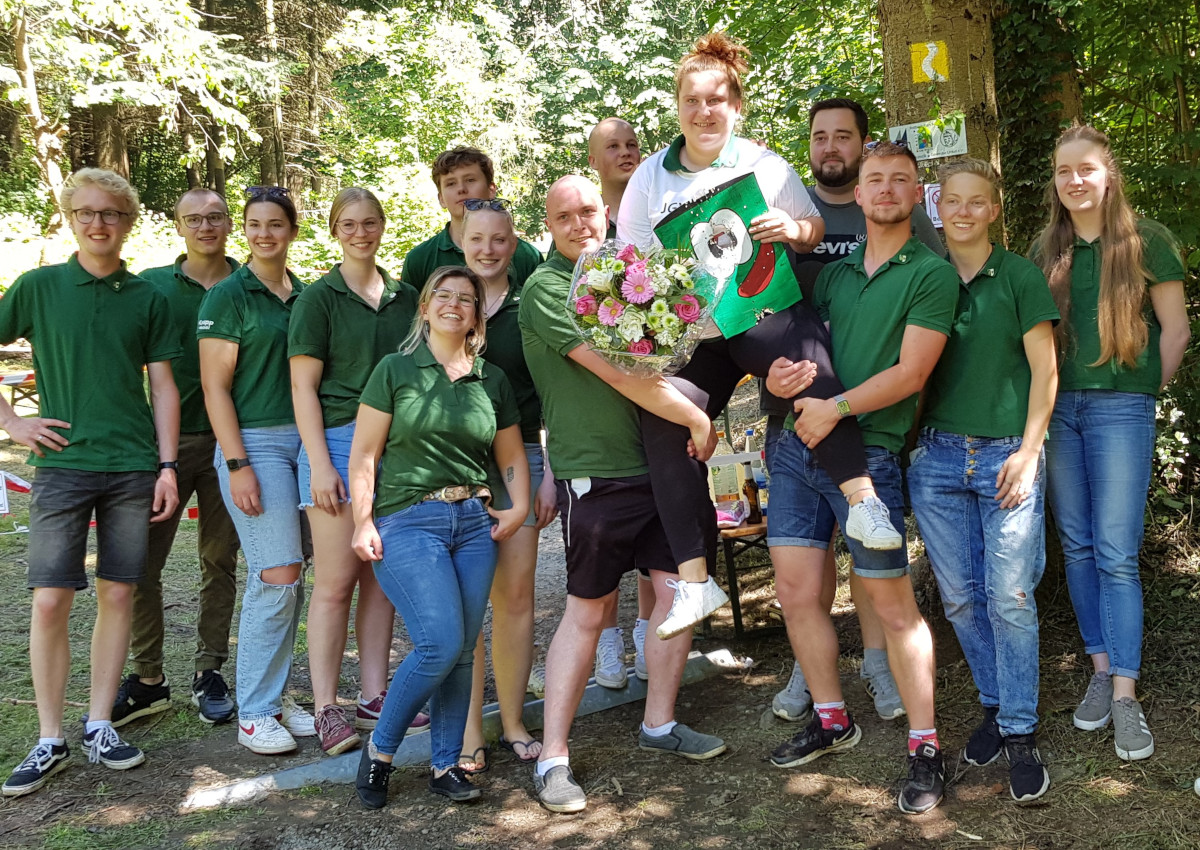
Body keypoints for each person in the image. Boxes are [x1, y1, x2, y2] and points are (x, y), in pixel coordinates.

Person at [617, 33, 902, 641]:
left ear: (735, 105)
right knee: (662, 415)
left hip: (757, 309)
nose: (703, 111)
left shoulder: (763, 164)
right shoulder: (649, 177)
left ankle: (863, 499)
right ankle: (694, 580)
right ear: (677, 106)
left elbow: (813, 225)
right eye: (691, 100)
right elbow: (630, 262)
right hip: (696, 329)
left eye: (716, 99)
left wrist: (793, 227)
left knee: (805, 359)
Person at [522, 175, 726, 815]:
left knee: (674, 595)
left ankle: (659, 724)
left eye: (588, 211)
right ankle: (554, 755)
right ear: (549, 224)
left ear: (605, 213)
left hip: (661, 469)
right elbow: (616, 370)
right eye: (564, 216)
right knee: (589, 610)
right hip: (598, 473)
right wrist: (696, 418)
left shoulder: (638, 272)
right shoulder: (548, 289)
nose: (580, 224)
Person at [764, 142, 958, 814]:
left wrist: (836, 407)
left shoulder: (931, 273)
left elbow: (911, 373)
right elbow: (789, 341)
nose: (885, 189)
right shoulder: (833, 277)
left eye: (900, 180)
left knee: (891, 605)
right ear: (860, 191)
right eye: (875, 178)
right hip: (794, 452)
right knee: (796, 594)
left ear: (914, 195)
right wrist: (780, 379)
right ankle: (831, 718)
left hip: (867, 457)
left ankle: (925, 744)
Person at [0, 168, 181, 797]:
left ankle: (101, 723)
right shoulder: (38, 286)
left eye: (111, 213)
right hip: (60, 467)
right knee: (50, 598)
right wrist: (13, 422)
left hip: (132, 466)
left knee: (118, 595)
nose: (98, 223)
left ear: (128, 221)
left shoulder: (148, 296)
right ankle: (49, 738)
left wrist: (166, 466)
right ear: (70, 217)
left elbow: (162, 386)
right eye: (86, 212)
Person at [1032, 125, 1189, 762]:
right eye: (1064, 170)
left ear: (1108, 173)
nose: (1075, 180)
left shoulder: (1147, 240)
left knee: (1117, 553)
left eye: (1086, 169)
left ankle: (1125, 694)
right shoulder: (1046, 248)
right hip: (1060, 410)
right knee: (1076, 544)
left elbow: (1175, 330)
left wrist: (1140, 393)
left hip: (1123, 408)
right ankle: (1099, 669)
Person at [907, 159, 1059, 802]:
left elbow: (1045, 373)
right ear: (938, 206)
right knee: (963, 598)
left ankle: (1021, 730)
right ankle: (997, 705)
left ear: (994, 209)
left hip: (1006, 457)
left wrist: (1029, 451)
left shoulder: (1020, 276)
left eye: (977, 202)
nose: (963, 211)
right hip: (938, 460)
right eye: (953, 201)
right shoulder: (926, 277)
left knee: (1011, 596)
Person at [349, 266, 529, 808]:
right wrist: (362, 519)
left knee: (462, 647)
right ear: (424, 307)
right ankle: (380, 752)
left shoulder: (490, 379)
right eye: (443, 296)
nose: (454, 304)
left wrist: (518, 507)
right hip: (408, 519)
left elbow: (512, 456)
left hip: (474, 522)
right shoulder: (395, 370)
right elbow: (364, 455)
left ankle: (446, 764)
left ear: (477, 314)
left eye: (466, 299)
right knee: (439, 641)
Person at [289, 187, 421, 756]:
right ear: (334, 230)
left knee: (380, 578)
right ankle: (325, 707)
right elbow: (303, 387)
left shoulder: (406, 297)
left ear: (382, 227)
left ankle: (374, 694)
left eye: (370, 222)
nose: (361, 232)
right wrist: (320, 462)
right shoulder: (318, 299)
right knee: (337, 580)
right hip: (339, 443)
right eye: (349, 224)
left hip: (396, 448)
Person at [110, 189, 241, 729]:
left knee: (220, 561)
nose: (205, 227)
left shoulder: (252, 282)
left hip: (233, 445)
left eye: (214, 217)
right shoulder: (150, 286)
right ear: (178, 225)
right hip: (162, 446)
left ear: (229, 223)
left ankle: (209, 669)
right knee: (142, 564)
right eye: (194, 219)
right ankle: (148, 678)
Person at [198, 186, 316, 756]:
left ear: (292, 230)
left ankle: (278, 696)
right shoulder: (228, 296)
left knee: (292, 578)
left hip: (308, 443)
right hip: (256, 445)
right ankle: (256, 712)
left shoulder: (307, 296)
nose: (264, 234)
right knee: (276, 573)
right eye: (254, 224)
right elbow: (214, 388)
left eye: (275, 224)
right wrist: (238, 461)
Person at [457, 199, 555, 771]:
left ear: (513, 243)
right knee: (469, 603)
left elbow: (552, 393)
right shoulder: (447, 298)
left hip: (525, 461)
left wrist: (551, 470)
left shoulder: (532, 301)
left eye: (499, 239)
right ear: (461, 239)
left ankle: (514, 719)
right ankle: (469, 727)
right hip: (459, 468)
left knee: (515, 598)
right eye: (478, 239)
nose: (488, 249)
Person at [586, 116, 656, 687]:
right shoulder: (586, 223)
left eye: (632, 143)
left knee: (659, 515)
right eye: (612, 146)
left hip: (658, 381)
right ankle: (607, 644)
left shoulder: (657, 201)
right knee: (607, 529)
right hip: (601, 395)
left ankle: (650, 636)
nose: (625, 152)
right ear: (593, 160)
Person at [401, 147, 543, 291]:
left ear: (491, 190)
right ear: (441, 198)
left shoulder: (525, 256)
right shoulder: (419, 259)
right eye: (451, 183)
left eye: (470, 180)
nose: (461, 189)